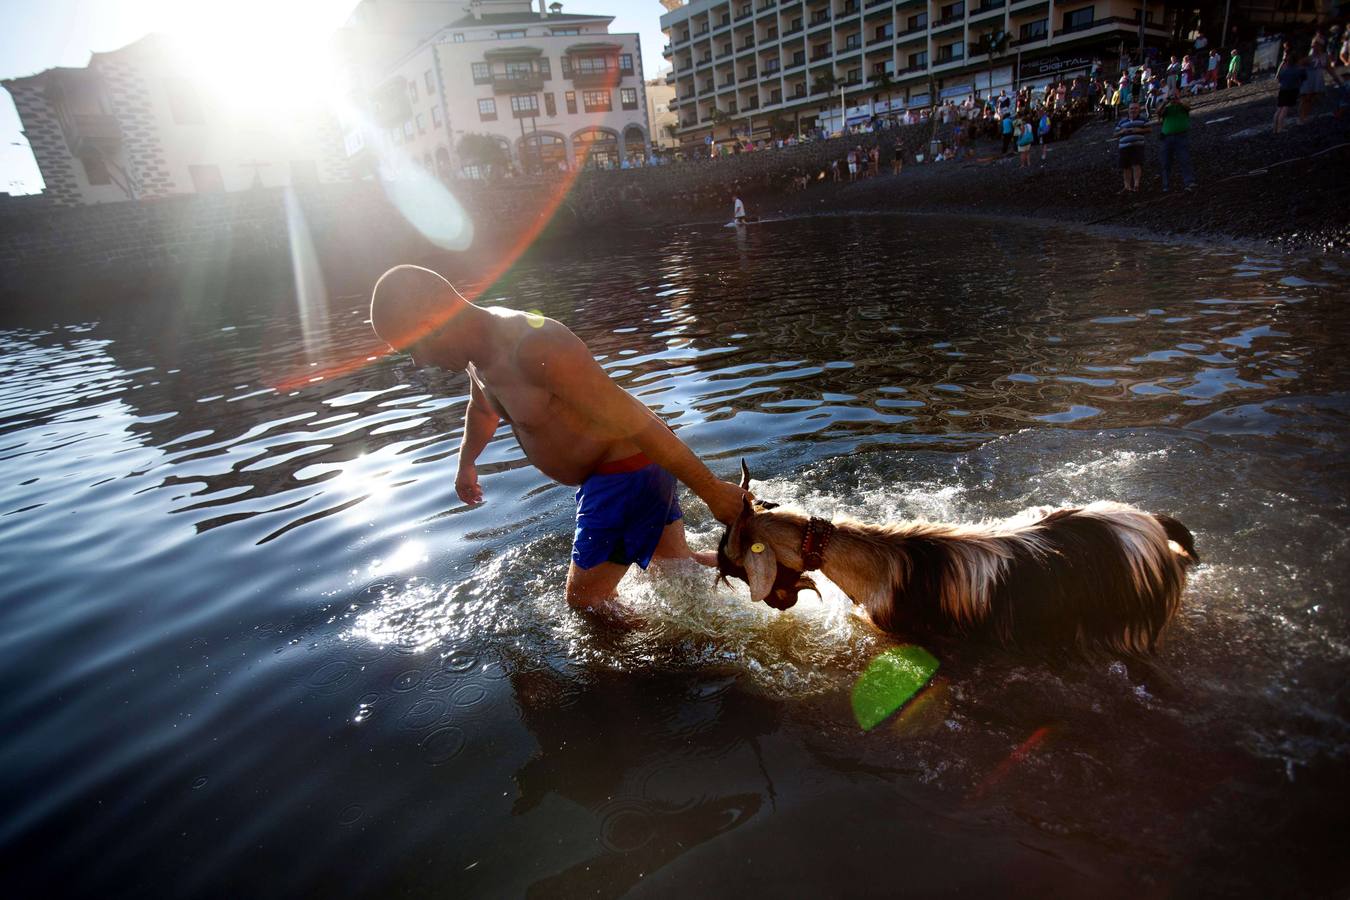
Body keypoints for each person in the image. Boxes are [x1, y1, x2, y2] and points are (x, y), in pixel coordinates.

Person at [368, 266, 748, 621]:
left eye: (408, 348)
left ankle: (700, 656)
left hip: (623, 474)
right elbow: (482, 408)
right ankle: (760, 560)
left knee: (587, 604)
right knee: (673, 568)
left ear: (430, 324)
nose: (416, 362)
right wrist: (466, 462)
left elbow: (635, 420)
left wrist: (711, 490)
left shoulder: (534, 345)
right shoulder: (476, 357)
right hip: (624, 475)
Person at [1157, 90, 1195, 192]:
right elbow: (1158, 112)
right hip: (1166, 137)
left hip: (1181, 136)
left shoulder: (1183, 106)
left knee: (1184, 159)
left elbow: (1188, 106)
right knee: (1166, 162)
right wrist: (1165, 102)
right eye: (1171, 96)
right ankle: (1166, 185)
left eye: (1175, 96)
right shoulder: (1167, 108)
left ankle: (1189, 181)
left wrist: (1178, 101)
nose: (1173, 98)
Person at [1114, 100, 1150, 192]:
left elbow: (1149, 129)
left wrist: (1138, 130)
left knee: (1136, 164)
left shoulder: (1143, 119)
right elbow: (1115, 134)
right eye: (1131, 108)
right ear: (1128, 110)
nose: (1133, 110)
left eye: (1135, 108)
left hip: (1137, 145)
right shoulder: (1122, 121)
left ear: (1139, 109)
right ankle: (1127, 186)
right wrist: (1122, 132)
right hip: (1124, 146)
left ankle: (1136, 185)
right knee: (1125, 166)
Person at [1274, 54, 1306, 134]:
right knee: (1285, 108)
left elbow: (1280, 79)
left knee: (1279, 109)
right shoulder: (1298, 69)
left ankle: (1275, 129)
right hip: (1291, 90)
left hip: (1282, 89)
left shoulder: (1284, 69)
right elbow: (1304, 77)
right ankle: (1280, 128)